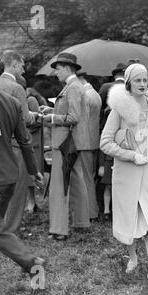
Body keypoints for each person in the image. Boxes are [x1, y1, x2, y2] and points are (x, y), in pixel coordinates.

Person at [100, 63, 148, 290]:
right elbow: (105, 143)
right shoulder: (119, 109)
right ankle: (132, 256)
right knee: (129, 219)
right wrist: (130, 155)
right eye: (138, 80)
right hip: (127, 174)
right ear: (129, 82)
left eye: (145, 80)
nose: (143, 84)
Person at [0, 52, 45, 284]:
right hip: (10, 174)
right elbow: (24, 141)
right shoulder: (12, 102)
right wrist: (33, 171)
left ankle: (31, 262)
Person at [42, 52, 91, 240]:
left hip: (64, 144)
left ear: (66, 68)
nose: (56, 73)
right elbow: (70, 112)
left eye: (57, 69)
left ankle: (59, 230)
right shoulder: (74, 86)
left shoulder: (72, 87)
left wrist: (52, 118)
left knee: (59, 186)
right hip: (72, 143)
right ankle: (81, 222)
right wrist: (52, 110)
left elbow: (73, 118)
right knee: (77, 182)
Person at [0, 50, 41, 232]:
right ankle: (10, 230)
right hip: (15, 145)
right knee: (16, 190)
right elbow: (25, 119)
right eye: (22, 66)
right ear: (14, 64)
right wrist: (37, 115)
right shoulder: (17, 88)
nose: (23, 70)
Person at [97, 62, 128, 221]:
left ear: (114, 75)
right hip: (126, 137)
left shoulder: (105, 88)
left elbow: (99, 109)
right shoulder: (131, 89)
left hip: (106, 132)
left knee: (106, 181)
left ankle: (106, 209)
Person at [77, 70, 102, 222]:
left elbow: (80, 119)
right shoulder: (95, 93)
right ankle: (91, 210)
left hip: (85, 141)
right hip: (93, 141)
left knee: (86, 179)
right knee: (89, 177)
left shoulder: (85, 95)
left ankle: (91, 212)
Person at [25, 87, 47, 213]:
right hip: (32, 139)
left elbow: (38, 121)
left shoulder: (31, 100)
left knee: (33, 171)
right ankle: (31, 203)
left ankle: (32, 203)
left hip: (33, 140)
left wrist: (23, 126)